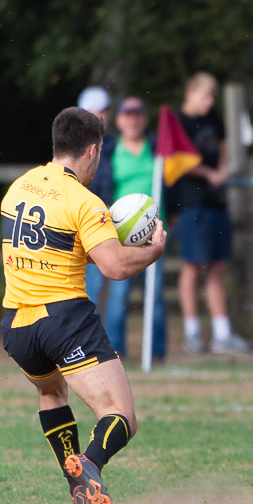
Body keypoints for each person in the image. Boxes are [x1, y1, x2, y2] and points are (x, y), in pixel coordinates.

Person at [0, 108, 167, 504]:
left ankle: (80, 486)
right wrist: (153, 252)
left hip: (17, 327)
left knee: (52, 392)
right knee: (120, 415)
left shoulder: (18, 188)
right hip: (64, 320)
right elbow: (114, 266)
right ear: (93, 151)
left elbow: (56, 249)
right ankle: (89, 463)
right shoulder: (84, 202)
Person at [173, 72, 250, 355]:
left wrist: (223, 168)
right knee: (192, 266)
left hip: (217, 201)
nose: (209, 102)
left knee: (218, 265)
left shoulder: (212, 117)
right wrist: (209, 173)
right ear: (191, 92)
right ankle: (192, 332)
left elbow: (224, 142)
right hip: (193, 202)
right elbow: (176, 160)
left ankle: (222, 333)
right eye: (205, 96)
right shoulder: (178, 121)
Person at [90, 97, 168, 361]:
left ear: (145, 119)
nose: (133, 119)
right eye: (128, 114)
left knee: (155, 294)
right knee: (118, 294)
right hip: (119, 236)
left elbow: (173, 185)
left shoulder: (158, 148)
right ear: (120, 120)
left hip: (154, 233)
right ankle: (116, 351)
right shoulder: (109, 151)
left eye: (138, 114)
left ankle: (156, 352)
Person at [78, 87, 117, 309]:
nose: (98, 117)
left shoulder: (116, 144)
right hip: (86, 221)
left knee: (116, 292)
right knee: (90, 288)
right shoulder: (73, 148)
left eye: (102, 111)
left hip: (115, 219)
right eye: (92, 113)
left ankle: (110, 342)